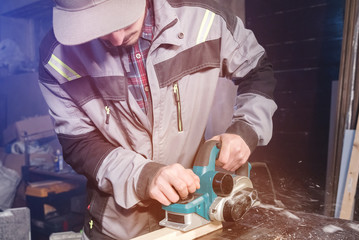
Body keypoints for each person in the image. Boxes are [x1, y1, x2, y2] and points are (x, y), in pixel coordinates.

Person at [38, 0, 277, 239]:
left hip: (198, 222)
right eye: (99, 29)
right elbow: (79, 144)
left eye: (122, 18)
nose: (118, 38)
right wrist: (143, 176)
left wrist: (246, 130)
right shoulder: (57, 58)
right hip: (118, 228)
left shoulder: (205, 18)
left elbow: (257, 70)